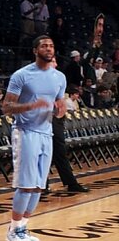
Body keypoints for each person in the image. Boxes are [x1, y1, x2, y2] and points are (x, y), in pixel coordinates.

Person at [2, 35, 67, 241]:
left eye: (51, 45)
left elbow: (59, 107)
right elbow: (6, 107)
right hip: (25, 131)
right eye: (44, 46)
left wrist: (60, 111)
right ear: (35, 50)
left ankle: (22, 227)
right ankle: (13, 230)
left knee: (39, 186)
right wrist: (29, 106)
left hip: (46, 133)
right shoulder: (21, 75)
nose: (49, 49)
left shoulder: (59, 77)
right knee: (26, 184)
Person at [44, 59, 88, 195]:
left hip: (55, 120)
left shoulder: (59, 79)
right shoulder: (36, 79)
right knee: (43, 154)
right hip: (42, 120)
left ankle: (71, 183)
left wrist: (59, 115)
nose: (56, 64)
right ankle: (42, 185)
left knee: (60, 152)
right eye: (53, 62)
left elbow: (61, 100)